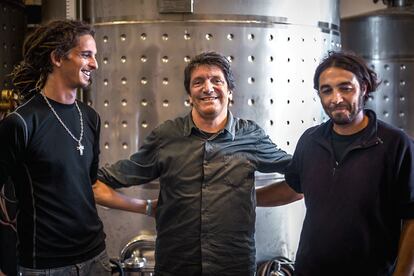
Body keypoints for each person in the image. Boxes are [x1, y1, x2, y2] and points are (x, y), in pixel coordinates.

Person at [93, 51, 302, 276]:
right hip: (176, 266)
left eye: (216, 81)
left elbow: (301, 180)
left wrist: (246, 198)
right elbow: (96, 183)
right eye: (198, 82)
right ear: (190, 95)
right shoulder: (166, 136)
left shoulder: (250, 136)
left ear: (230, 92)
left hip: (234, 267)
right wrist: (143, 207)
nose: (208, 88)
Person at [258, 51, 414, 275]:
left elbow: (412, 218)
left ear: (364, 88)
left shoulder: (396, 144)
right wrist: (246, 198)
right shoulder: (311, 140)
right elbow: (295, 188)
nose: (336, 98)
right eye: (327, 90)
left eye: (345, 88)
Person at [0, 20, 111, 275]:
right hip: (46, 266)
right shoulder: (21, 123)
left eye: (94, 56)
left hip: (97, 257)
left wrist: (147, 206)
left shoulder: (90, 117)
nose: (94, 63)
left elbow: (90, 186)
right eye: (86, 55)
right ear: (57, 58)